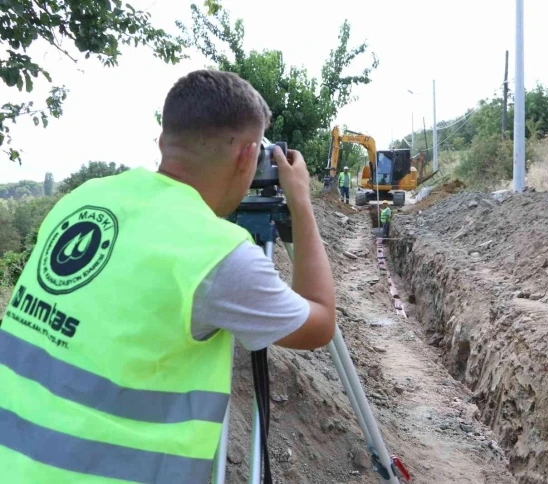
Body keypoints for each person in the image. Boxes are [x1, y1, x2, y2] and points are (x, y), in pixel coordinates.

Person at [0, 69, 336, 483]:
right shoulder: (216, 253)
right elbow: (319, 324)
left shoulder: (84, 199)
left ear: (162, 142)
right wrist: (301, 203)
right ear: (249, 157)